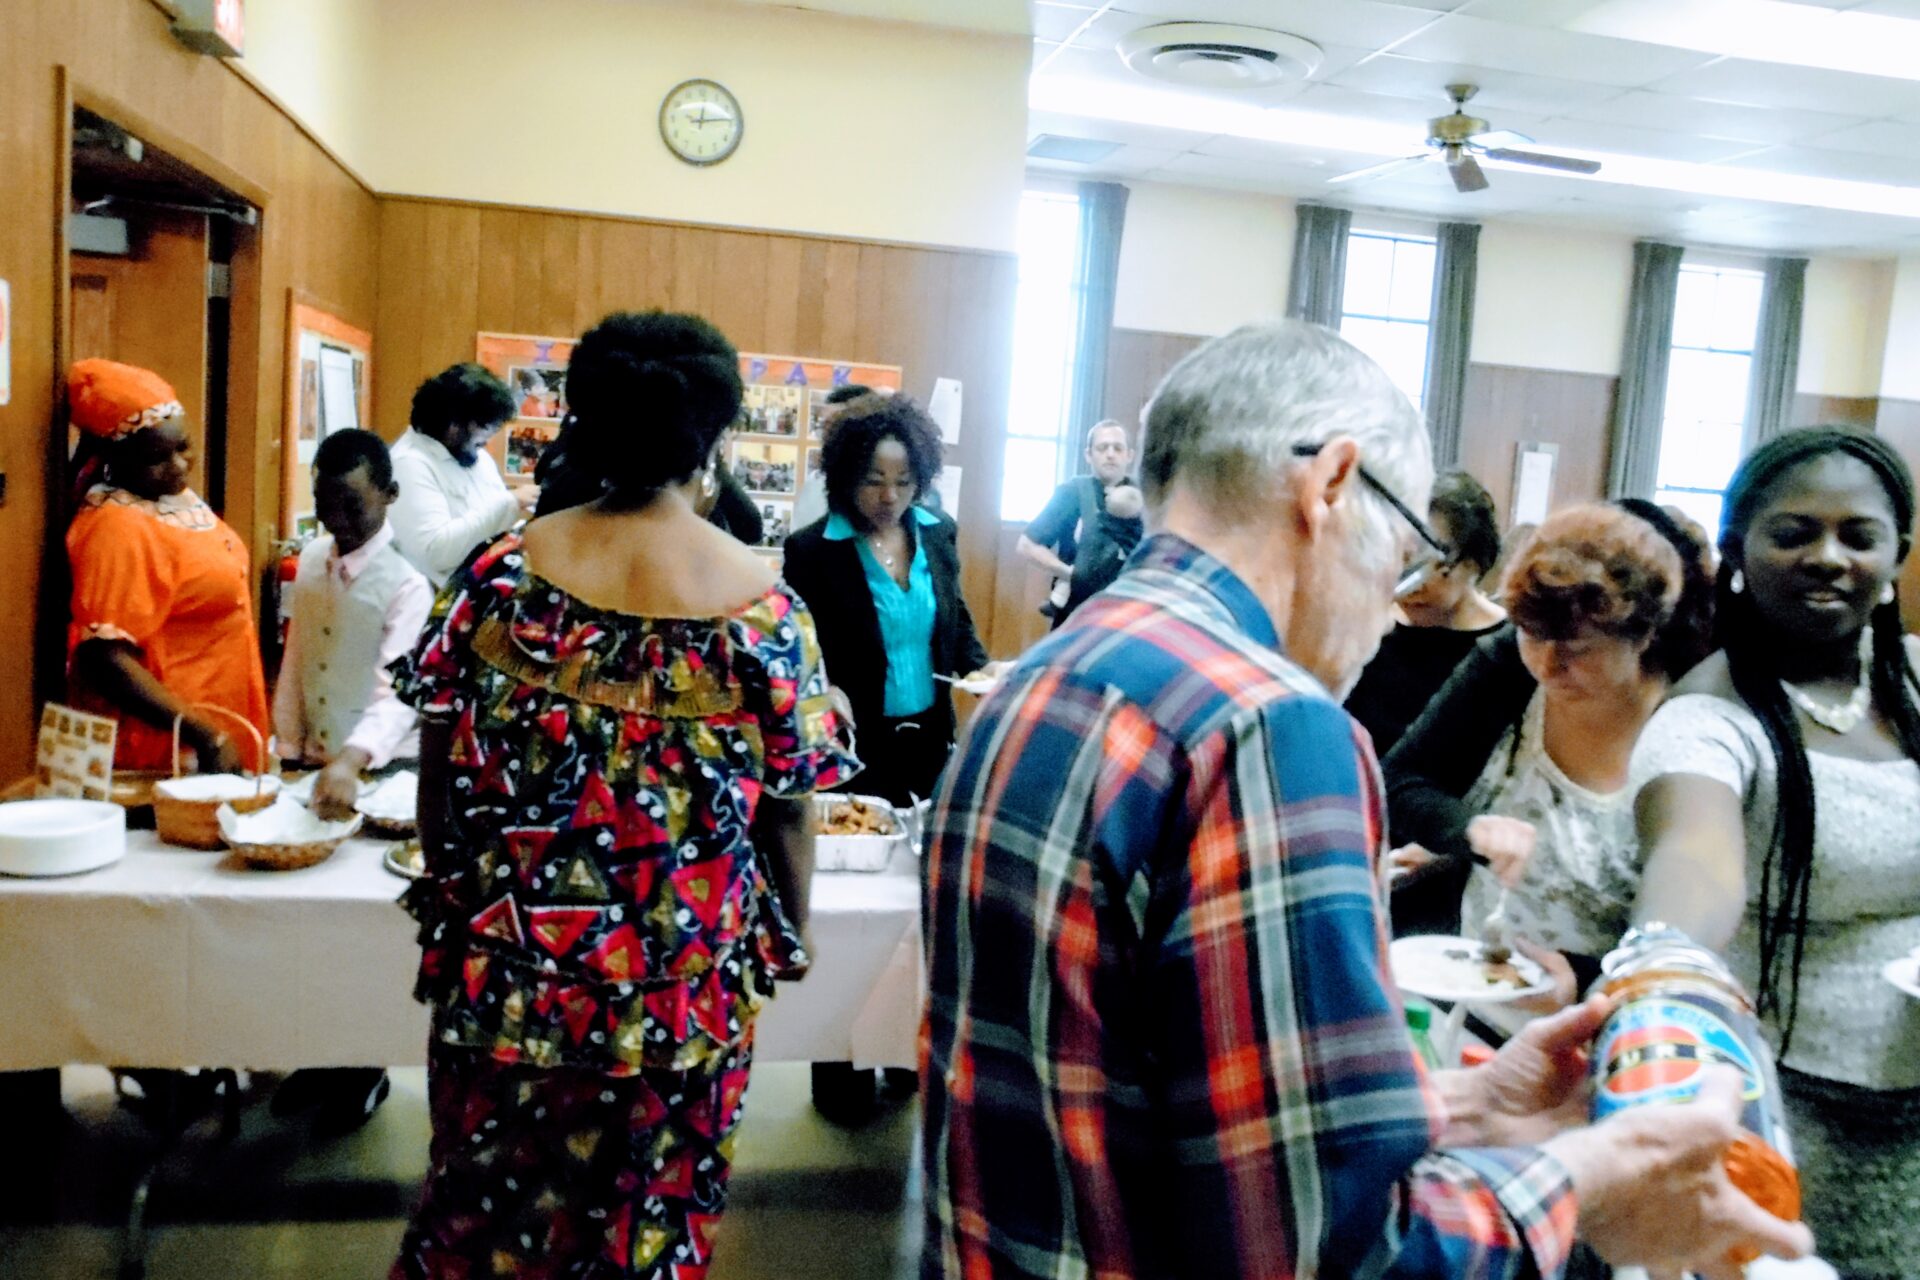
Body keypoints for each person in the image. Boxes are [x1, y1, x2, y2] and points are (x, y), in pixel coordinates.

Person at [920, 320, 1811, 1280]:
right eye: (1407, 545)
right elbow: (1328, 1249)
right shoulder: (1267, 724)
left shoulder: (1053, 669)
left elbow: (1145, 1094)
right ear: (1332, 484)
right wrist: (1590, 1181)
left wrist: (1461, 1107)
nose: (1395, 598)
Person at [389, 311, 856, 1279]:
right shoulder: (765, 611)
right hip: (679, 984)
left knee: (479, 1209)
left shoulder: (498, 578)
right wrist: (795, 930)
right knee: (646, 1220)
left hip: (508, 969)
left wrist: (448, 888)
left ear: (581, 417)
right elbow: (789, 806)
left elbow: (440, 755)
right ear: (717, 433)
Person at [1631, 427, 1920, 1279]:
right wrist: (1666, 967)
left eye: (1857, 535)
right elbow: (1695, 860)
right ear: (1737, 551)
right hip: (1783, 1103)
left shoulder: (1911, 684)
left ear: (1895, 554)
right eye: (1793, 532)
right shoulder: (1707, 717)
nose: (1828, 556)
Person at [1384, 503, 1715, 994]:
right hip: (1483, 995)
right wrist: (1467, 828)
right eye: (1531, 637)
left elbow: (1702, 918)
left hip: (1617, 1009)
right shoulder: (1508, 669)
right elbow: (1400, 780)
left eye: (1579, 650)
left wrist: (1583, 982)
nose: (1547, 665)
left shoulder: (1694, 717)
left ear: (1643, 635)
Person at [782, 393, 993, 809]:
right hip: (857, 740)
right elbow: (798, 648)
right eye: (874, 481)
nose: (890, 497)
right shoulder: (813, 550)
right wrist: (824, 688)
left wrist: (982, 668)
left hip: (931, 736)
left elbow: (955, 615)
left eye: (904, 481)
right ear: (846, 477)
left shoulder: (938, 532)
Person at [64, 358, 268, 774]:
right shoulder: (116, 526)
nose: (178, 465)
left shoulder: (173, 501)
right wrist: (203, 733)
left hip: (217, 730)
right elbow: (105, 660)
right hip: (168, 748)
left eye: (183, 446)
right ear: (114, 459)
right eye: (156, 457)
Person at [274, 429, 433, 817]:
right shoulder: (311, 560)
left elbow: (398, 692)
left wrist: (350, 760)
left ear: (390, 493)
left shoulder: (408, 583)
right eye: (323, 506)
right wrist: (289, 749)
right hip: (315, 763)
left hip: (383, 768)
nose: (336, 519)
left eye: (352, 505)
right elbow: (297, 659)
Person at [1344, 470, 1507, 758]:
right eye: (1404, 557)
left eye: (1430, 561)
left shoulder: (1504, 650)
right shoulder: (1374, 631)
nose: (1411, 584)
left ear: (1472, 563)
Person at [388, 362, 533, 587]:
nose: (487, 439)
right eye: (485, 428)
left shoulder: (475, 456)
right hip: (433, 607)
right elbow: (436, 552)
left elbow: (493, 525)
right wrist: (510, 502)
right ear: (454, 426)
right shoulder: (408, 463)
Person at [1016, 419, 1145, 626]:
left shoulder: (1145, 498)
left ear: (1129, 455)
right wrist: (1072, 574)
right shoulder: (1072, 493)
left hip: (1127, 617)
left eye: (1118, 448)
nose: (1110, 454)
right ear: (1089, 455)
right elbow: (1027, 545)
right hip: (1076, 615)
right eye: (1102, 448)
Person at [792, 382, 871, 528]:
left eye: (835, 425)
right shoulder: (815, 484)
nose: (826, 436)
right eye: (824, 426)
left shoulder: (885, 489)